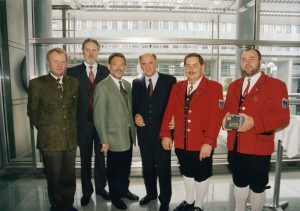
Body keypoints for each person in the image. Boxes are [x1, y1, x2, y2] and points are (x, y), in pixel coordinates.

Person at [222, 48, 290, 211]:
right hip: (235, 146)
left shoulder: (276, 85)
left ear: (260, 61)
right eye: (243, 59)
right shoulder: (234, 86)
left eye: (252, 59)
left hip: (258, 147)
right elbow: (227, 111)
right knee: (239, 182)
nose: (247, 62)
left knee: (258, 186)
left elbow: (283, 117)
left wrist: (255, 122)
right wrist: (224, 119)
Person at [160, 53, 224, 211]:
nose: (191, 69)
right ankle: (189, 202)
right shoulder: (177, 87)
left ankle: (199, 205)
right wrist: (166, 134)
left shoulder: (214, 87)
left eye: (195, 65)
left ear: (203, 67)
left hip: (201, 141)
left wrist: (209, 142)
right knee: (186, 171)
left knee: (201, 174)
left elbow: (215, 118)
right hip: (182, 140)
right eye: (187, 66)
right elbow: (169, 111)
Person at [27, 48, 79, 211]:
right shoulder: (37, 84)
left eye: (63, 61)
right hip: (50, 140)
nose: (59, 65)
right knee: (54, 177)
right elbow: (33, 112)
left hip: (70, 139)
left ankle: (68, 205)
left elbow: (74, 110)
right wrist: (47, 129)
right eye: (55, 61)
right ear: (48, 63)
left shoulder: (73, 82)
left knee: (69, 177)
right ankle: (57, 206)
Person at [67, 38, 110, 206]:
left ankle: (101, 188)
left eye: (94, 50)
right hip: (82, 125)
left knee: (101, 158)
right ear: (82, 51)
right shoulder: (72, 72)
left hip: (101, 125)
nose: (91, 53)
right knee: (85, 159)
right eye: (87, 50)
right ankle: (86, 192)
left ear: (98, 52)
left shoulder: (106, 72)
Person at [93, 53, 139, 210]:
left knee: (126, 166)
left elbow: (128, 110)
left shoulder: (127, 84)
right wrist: (104, 140)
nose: (119, 67)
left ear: (125, 66)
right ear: (109, 67)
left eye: (122, 64)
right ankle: (115, 196)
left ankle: (124, 190)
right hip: (112, 138)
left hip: (127, 134)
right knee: (114, 170)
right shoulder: (102, 87)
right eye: (115, 64)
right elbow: (99, 117)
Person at [132, 53, 177, 211]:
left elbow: (175, 106)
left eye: (150, 62)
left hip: (163, 134)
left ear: (156, 63)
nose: (147, 66)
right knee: (147, 166)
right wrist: (136, 116)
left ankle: (164, 199)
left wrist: (173, 123)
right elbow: (135, 106)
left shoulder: (169, 80)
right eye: (144, 63)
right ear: (140, 65)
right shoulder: (136, 83)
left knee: (164, 167)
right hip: (144, 134)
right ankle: (151, 194)